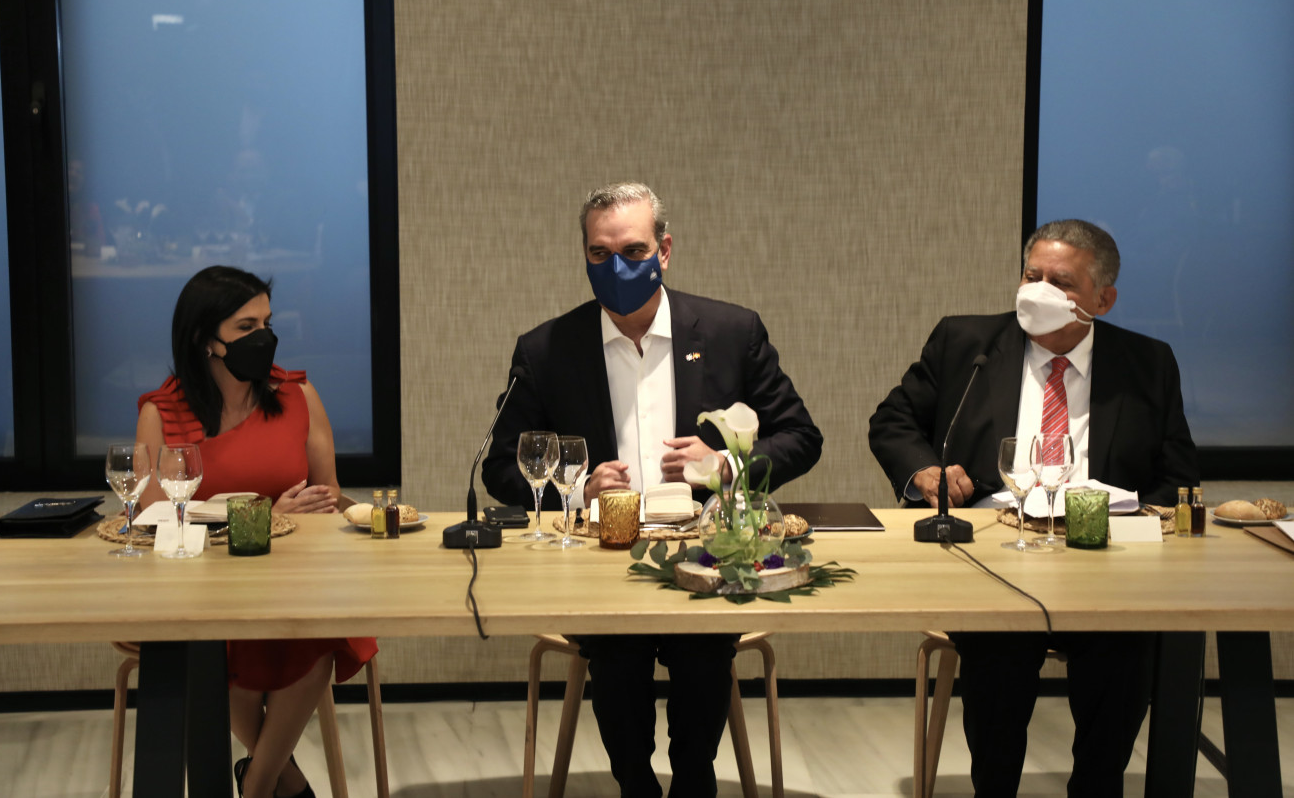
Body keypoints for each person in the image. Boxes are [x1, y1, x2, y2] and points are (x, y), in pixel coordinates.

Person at [481, 182, 822, 797]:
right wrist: (575, 488)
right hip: (602, 561)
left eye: (633, 251)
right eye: (600, 254)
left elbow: (801, 436)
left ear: (664, 250)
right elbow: (502, 467)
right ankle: (635, 785)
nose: (617, 267)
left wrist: (725, 465)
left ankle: (693, 782)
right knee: (617, 655)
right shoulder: (546, 349)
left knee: (702, 653)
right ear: (584, 255)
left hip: (707, 555)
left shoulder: (731, 331)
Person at [869, 219, 1197, 797]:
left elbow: (1177, 480)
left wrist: (1137, 526)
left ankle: (1096, 787)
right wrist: (923, 471)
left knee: (1126, 649)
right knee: (999, 646)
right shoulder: (966, 343)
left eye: (1061, 282)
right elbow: (893, 421)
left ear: (1102, 300)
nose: (1039, 291)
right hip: (994, 555)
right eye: (1031, 276)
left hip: (1105, 562)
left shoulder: (1147, 363)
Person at [136, 265, 377, 798]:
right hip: (201, 591)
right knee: (221, 646)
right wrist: (262, 518)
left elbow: (329, 495)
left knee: (316, 629)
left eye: (267, 323)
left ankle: (257, 785)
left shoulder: (297, 396)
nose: (263, 338)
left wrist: (311, 513)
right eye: (246, 327)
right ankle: (279, 784)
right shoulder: (162, 413)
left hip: (293, 581)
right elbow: (151, 524)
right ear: (205, 340)